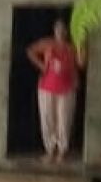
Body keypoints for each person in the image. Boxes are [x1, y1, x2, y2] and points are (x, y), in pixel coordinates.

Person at [27, 18, 85, 164]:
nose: (60, 32)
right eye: (58, 29)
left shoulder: (72, 47)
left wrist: (82, 45)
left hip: (67, 88)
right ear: (54, 30)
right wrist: (41, 66)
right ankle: (50, 150)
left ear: (66, 32)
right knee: (48, 119)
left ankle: (62, 151)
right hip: (46, 87)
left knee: (64, 120)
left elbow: (81, 63)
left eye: (63, 29)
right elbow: (30, 51)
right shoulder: (48, 43)